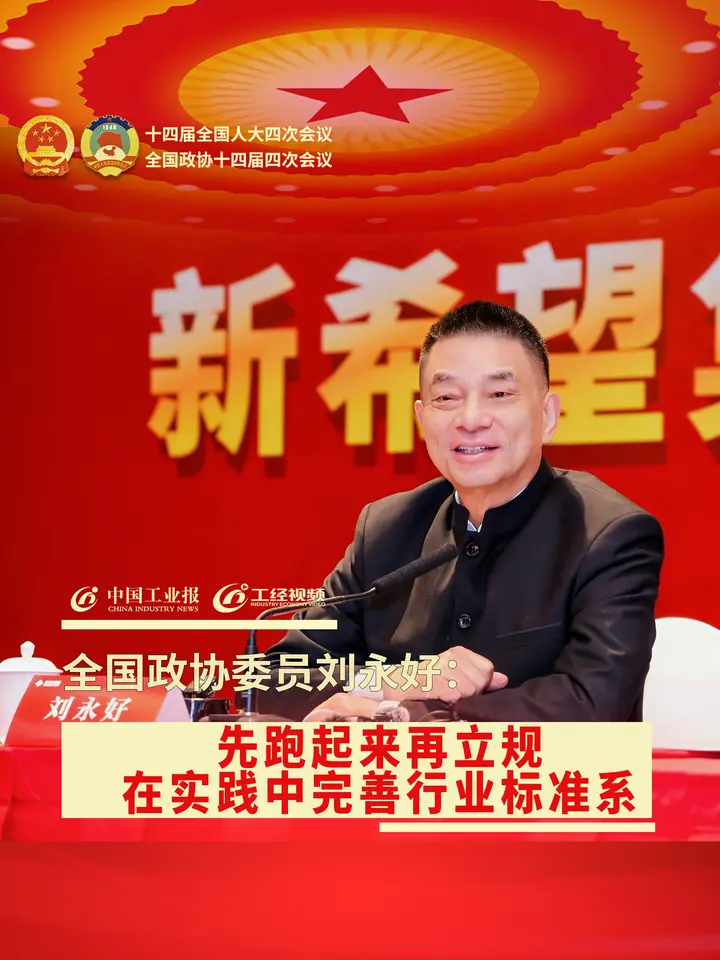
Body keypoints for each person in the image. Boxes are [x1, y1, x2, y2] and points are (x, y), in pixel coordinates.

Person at [260, 301, 664, 722]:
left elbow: (593, 703)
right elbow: (268, 681)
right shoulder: (385, 530)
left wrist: (408, 714)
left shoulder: (608, 534)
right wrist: (395, 681)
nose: (471, 419)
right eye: (447, 397)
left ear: (547, 416)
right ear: (422, 419)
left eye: (499, 394)